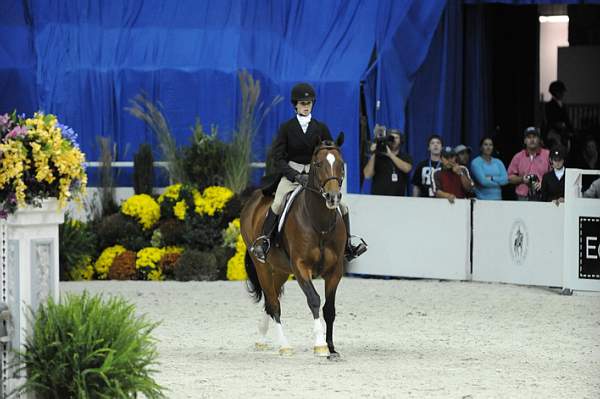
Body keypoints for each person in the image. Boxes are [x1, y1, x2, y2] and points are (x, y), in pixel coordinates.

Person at [252, 82, 367, 263]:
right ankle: (264, 241)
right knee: (278, 202)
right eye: (302, 103)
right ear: (295, 105)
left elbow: (330, 152)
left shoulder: (320, 128)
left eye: (309, 103)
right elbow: (278, 157)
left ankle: (348, 244)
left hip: (316, 175)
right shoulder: (287, 128)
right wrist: (294, 175)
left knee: (343, 205)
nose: (306, 107)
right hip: (293, 172)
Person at [363, 127, 413, 196]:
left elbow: (407, 169)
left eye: (396, 138)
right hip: (378, 198)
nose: (394, 140)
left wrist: (390, 154)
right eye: (391, 137)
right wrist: (374, 153)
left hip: (398, 199)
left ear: (401, 140)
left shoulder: (405, 157)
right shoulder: (378, 157)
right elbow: (367, 175)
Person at [507, 127, 551, 201]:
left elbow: (556, 174)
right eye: (529, 137)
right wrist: (522, 179)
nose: (532, 140)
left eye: (534, 137)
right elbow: (509, 178)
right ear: (525, 141)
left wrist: (543, 184)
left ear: (539, 140)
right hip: (523, 197)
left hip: (543, 196)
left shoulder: (547, 154)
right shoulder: (518, 156)